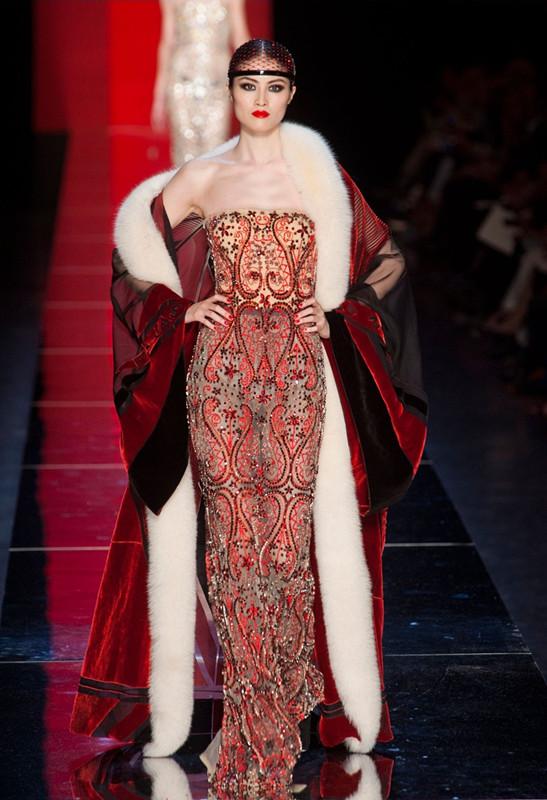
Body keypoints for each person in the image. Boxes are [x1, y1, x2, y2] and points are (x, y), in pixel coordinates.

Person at [71, 39, 428, 800]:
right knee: (235, 552)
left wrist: (340, 314)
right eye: (247, 83)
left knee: (289, 552)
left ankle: (282, 705)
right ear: (231, 92)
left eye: (273, 83)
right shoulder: (204, 176)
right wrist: (177, 310)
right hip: (220, 380)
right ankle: (253, 722)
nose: (260, 96)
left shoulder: (321, 177)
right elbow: (132, 249)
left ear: (292, 93)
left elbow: (388, 262)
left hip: (300, 381)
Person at [151, 0, 250, 165]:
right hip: (180, 85)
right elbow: (167, 43)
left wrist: (252, 82)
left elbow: (240, 38)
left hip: (218, 87)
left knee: (215, 152)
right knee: (185, 152)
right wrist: (159, 95)